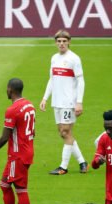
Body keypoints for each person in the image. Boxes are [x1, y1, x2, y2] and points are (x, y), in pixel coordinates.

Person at [39, 29, 88, 175]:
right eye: (59, 41)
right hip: (57, 102)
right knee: (63, 133)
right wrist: (45, 98)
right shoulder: (54, 58)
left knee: (65, 131)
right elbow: (51, 79)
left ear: (69, 42)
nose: (61, 44)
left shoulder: (74, 59)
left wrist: (79, 102)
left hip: (69, 102)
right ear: (55, 43)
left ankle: (63, 167)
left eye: (64, 41)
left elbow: (81, 81)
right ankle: (82, 162)